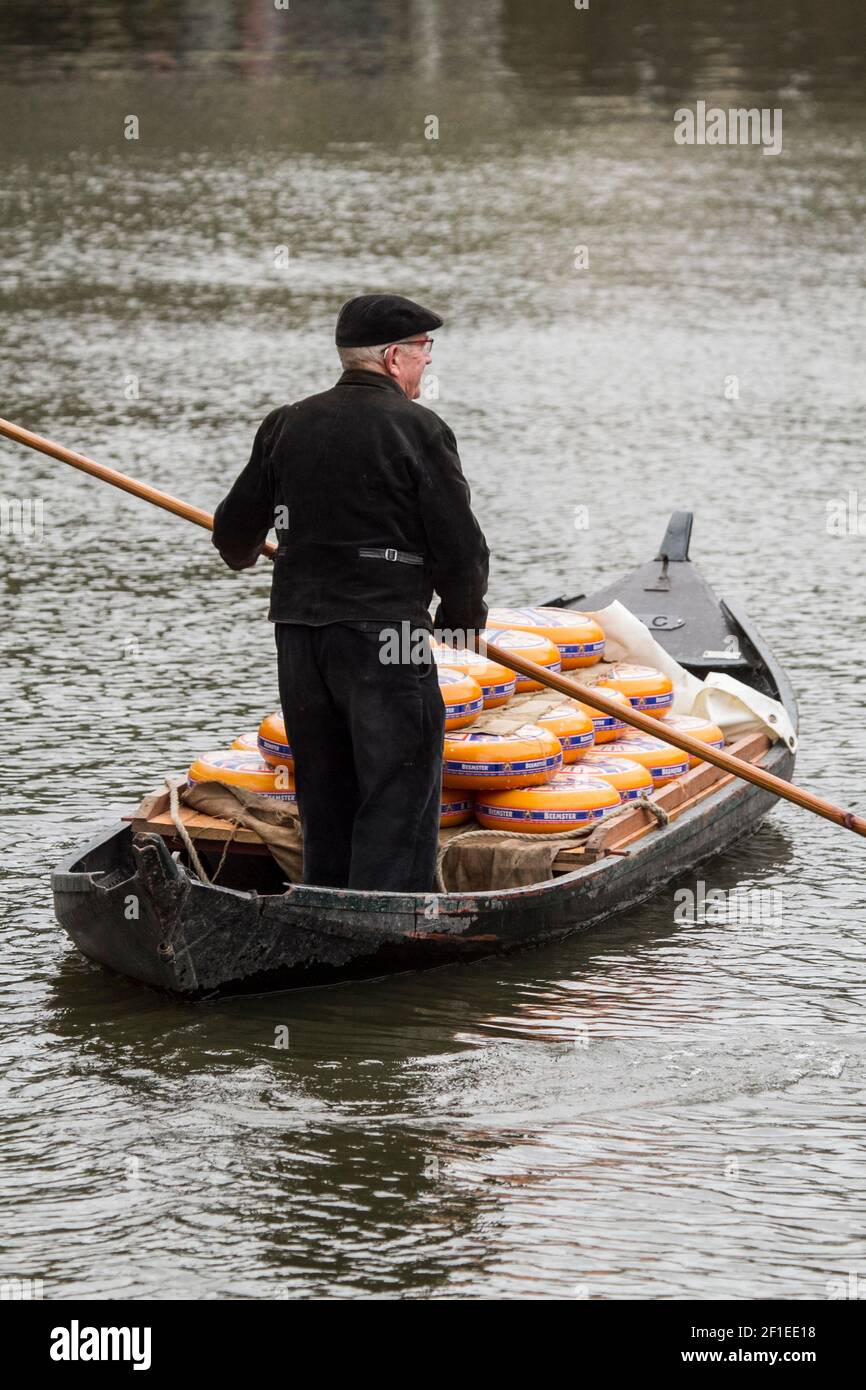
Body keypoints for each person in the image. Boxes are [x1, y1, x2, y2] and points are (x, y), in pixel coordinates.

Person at [212, 293, 489, 892]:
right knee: (400, 780)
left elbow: (234, 537)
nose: (428, 363)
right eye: (423, 351)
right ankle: (383, 922)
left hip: (301, 636)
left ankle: (324, 901)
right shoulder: (420, 428)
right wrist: (462, 626)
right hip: (390, 635)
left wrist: (254, 549)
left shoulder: (286, 423)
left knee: (324, 782)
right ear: (393, 359)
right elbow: (462, 549)